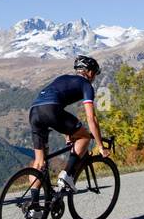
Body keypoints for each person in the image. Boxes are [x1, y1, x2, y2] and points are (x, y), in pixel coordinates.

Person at [28, 55, 107, 193]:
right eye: (94, 73)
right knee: (84, 137)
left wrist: (67, 133)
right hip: (51, 110)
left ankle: (34, 204)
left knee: (39, 162)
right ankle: (67, 175)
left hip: (34, 111)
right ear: (88, 72)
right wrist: (100, 146)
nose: (94, 77)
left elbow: (56, 105)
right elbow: (91, 118)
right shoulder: (86, 85)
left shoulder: (63, 78)